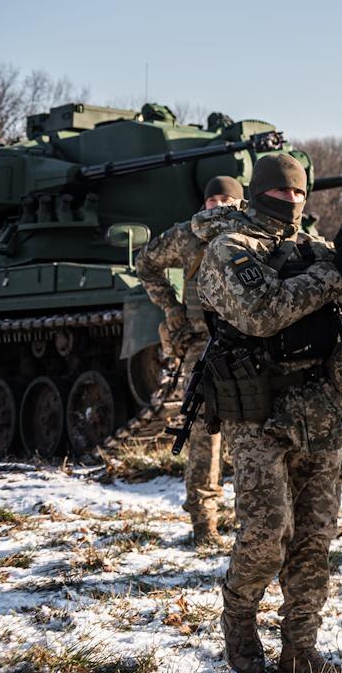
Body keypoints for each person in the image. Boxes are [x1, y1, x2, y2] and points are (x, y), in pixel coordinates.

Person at [193, 153, 342, 673]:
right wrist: (332, 273)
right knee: (266, 537)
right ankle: (240, 622)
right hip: (257, 414)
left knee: (313, 541)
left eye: (299, 193)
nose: (292, 200)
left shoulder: (315, 248)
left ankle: (300, 650)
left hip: (319, 411)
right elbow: (263, 313)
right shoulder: (229, 248)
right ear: (259, 192)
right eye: (282, 192)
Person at [135, 175, 244, 546]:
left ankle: (253, 523)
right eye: (212, 201)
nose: (219, 207)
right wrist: (171, 307)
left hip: (249, 344)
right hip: (203, 345)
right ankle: (204, 523)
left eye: (226, 201)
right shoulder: (188, 235)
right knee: (203, 434)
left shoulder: (253, 231)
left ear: (239, 203)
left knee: (250, 435)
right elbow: (146, 262)